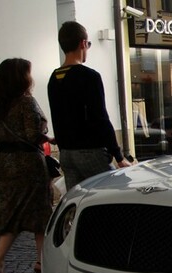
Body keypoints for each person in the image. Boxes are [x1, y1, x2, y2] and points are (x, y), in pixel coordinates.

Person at [0, 58, 53, 273]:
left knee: (13, 212)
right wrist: (46, 134)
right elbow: (33, 133)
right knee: (40, 213)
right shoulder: (26, 102)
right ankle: (42, 263)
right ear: (22, 77)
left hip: (5, 161)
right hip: (28, 163)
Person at [47, 21, 131, 192]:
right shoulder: (89, 76)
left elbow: (57, 117)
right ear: (83, 43)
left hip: (66, 155)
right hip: (90, 153)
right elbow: (100, 118)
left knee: (79, 201)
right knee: (114, 194)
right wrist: (119, 156)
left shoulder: (54, 78)